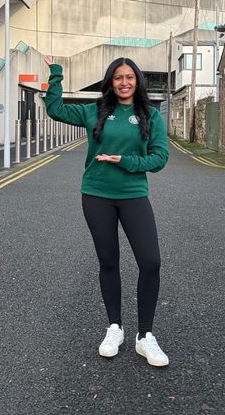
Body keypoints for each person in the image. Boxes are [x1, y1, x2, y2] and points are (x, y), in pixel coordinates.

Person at [44, 56, 170, 367]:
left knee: (150, 262)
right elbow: (55, 109)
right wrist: (56, 74)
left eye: (129, 77)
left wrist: (125, 161)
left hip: (133, 195)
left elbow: (160, 157)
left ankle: (145, 336)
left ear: (137, 81)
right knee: (108, 261)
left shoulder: (150, 116)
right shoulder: (95, 111)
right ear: (110, 82)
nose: (124, 82)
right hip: (96, 194)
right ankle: (115, 327)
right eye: (118, 78)